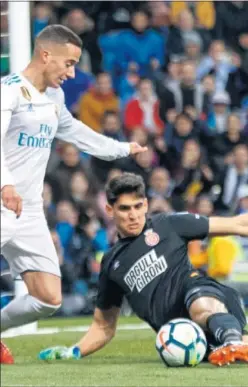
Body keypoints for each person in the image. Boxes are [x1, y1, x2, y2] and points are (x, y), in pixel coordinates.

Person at [38, 172, 248, 366]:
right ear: (110, 209)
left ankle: (232, 340)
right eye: (124, 208)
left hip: (208, 298)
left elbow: (241, 224)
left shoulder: (170, 225)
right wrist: (74, 350)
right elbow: (103, 326)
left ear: (146, 203)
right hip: (187, 339)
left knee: (199, 302)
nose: (133, 214)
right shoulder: (111, 263)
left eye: (139, 206)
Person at [0, 25, 147, 363]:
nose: (72, 72)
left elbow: (76, 133)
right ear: (45, 54)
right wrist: (5, 184)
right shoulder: (8, 91)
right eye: (68, 63)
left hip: (29, 209)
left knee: (48, 297)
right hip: (2, 199)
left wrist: (120, 148)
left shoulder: (54, 98)